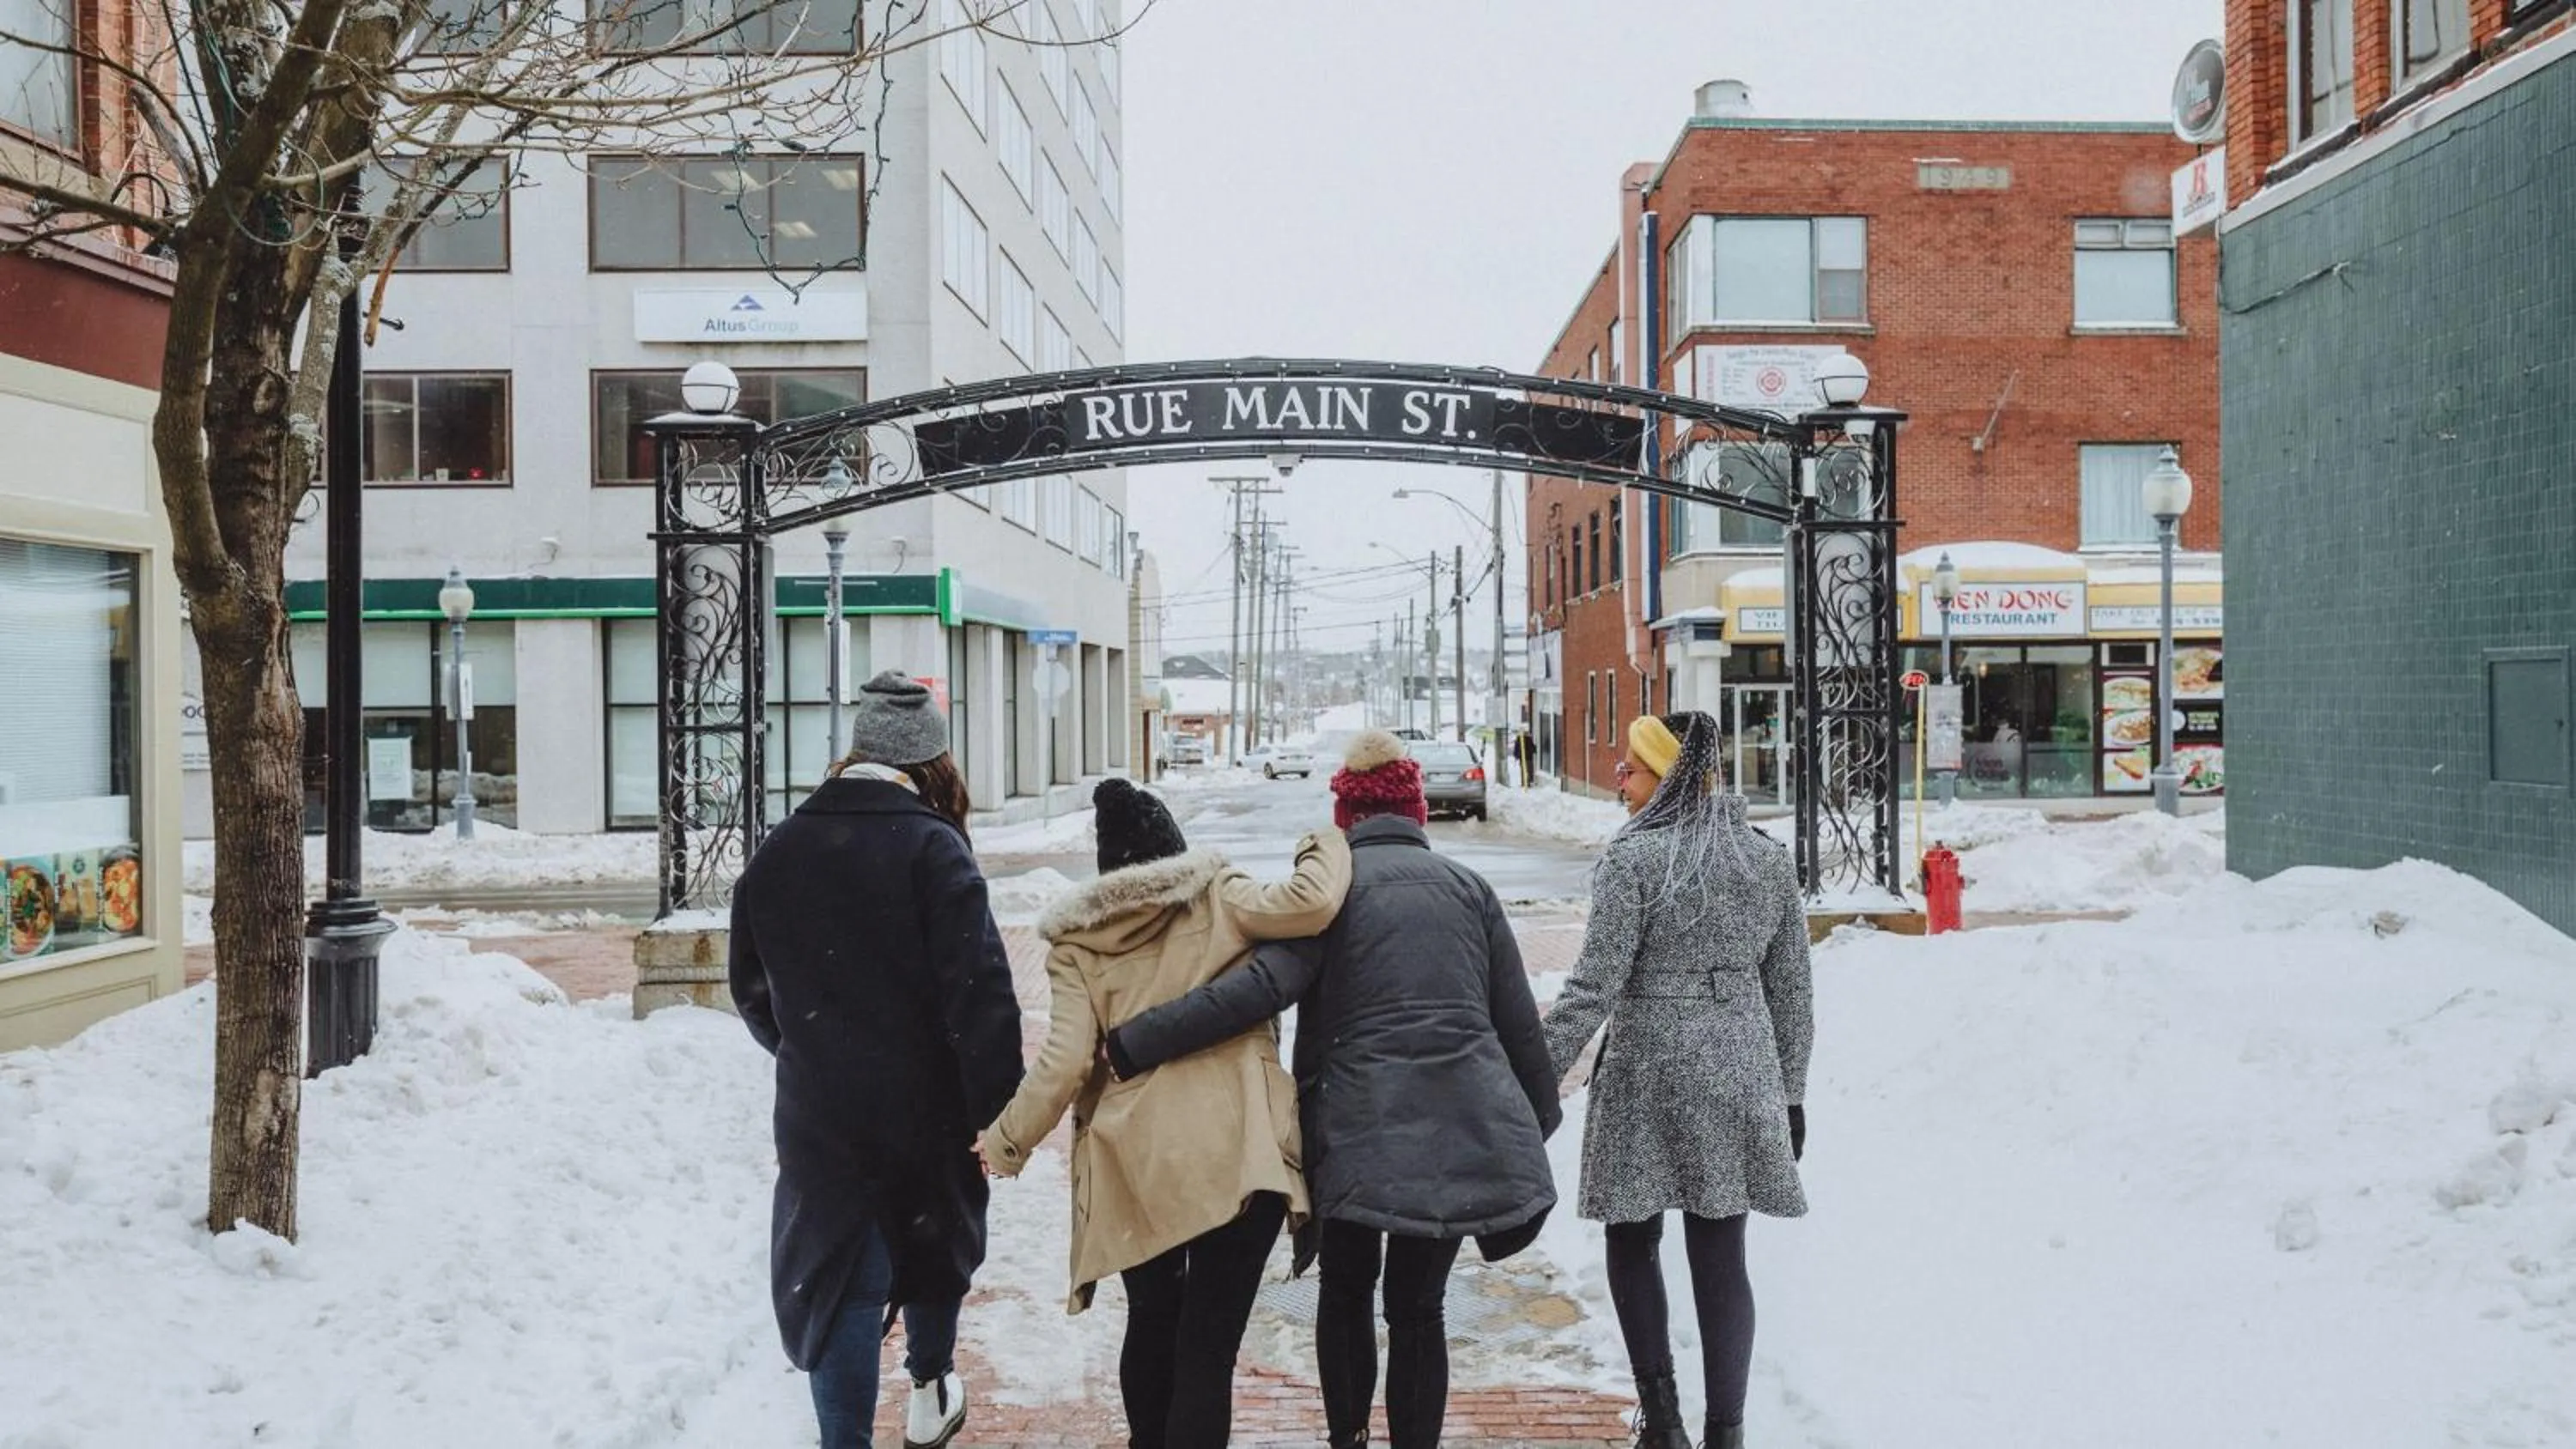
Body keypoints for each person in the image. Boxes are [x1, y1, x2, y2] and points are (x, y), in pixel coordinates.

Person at [1103, 730, 1562, 1449]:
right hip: (1457, 1126)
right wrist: (1536, 1119)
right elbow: (1520, 1026)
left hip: (1355, 1130)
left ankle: (1347, 1436)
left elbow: (1257, 990)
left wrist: (1135, 1041)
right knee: (1419, 1307)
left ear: (1345, 817)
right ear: (1416, 812)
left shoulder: (1331, 896)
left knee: (1347, 1290)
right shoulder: (1470, 890)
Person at [977, 778, 1352, 1449]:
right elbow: (1314, 900)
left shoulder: (1079, 944)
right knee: (1208, 1347)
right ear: (1175, 850)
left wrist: (1007, 1141)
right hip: (1240, 1156)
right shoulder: (1219, 895)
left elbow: (1064, 1062)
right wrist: (1328, 835)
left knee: (1151, 1323)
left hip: (1140, 1166)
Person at [728, 670, 1026, 1449]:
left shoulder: (781, 848)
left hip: (820, 1110)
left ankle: (845, 1439)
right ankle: (930, 1384)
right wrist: (997, 1112)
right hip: (924, 1107)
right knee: (932, 1244)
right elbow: (981, 994)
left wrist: (813, 1050)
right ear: (933, 761)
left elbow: (751, 987)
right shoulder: (934, 847)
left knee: (843, 1280)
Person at [1541, 712, 1814, 1449]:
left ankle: (1661, 1423)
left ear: (1667, 777)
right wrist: (1791, 1092)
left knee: (1633, 1236)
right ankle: (1727, 1432)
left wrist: (1532, 1074)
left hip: (1649, 1070)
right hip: (1739, 1066)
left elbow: (1593, 987)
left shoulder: (1634, 859)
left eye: (1631, 766)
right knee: (1722, 1251)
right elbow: (1791, 990)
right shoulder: (1764, 858)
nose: (1618, 777)